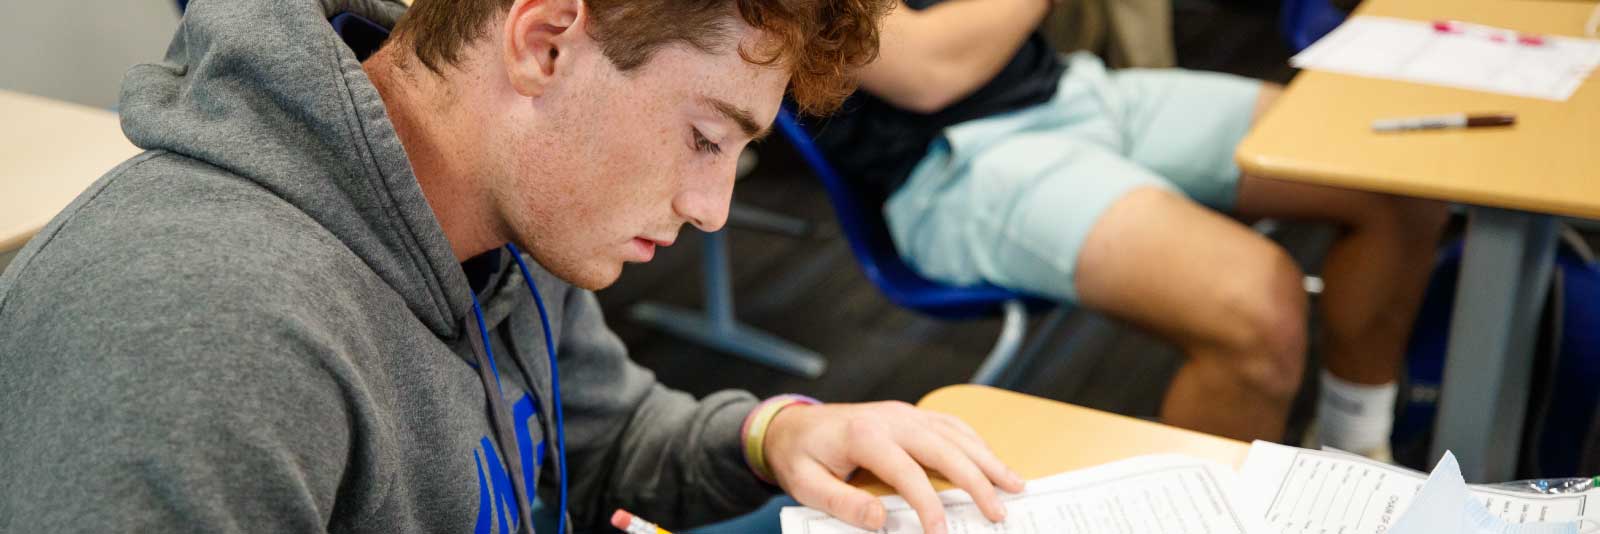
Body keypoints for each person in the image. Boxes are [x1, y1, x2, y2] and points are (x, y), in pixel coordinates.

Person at [0, 1, 1026, 533]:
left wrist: (779, 434)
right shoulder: (196, 338)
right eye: (707, 137)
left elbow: (603, 437)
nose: (711, 210)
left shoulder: (501, 220)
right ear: (543, 41)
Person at [813, 0, 1450, 452]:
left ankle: (1353, 446)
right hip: (951, 162)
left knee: (1389, 174)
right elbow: (928, 70)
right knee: (1255, 308)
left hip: (1066, 90)